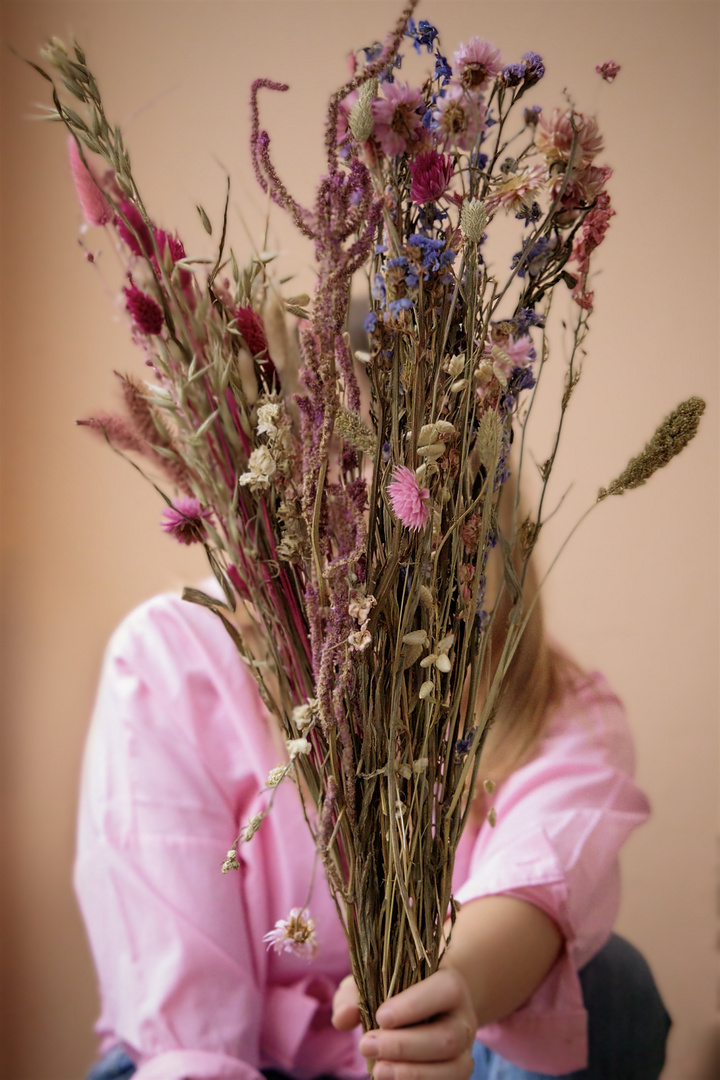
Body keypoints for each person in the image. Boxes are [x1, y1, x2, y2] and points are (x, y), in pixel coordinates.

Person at [77, 547, 671, 1080]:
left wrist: (454, 987)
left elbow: (537, 881)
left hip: (446, 1058)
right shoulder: (177, 652)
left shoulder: (549, 705)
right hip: (223, 1058)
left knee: (611, 987)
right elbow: (188, 1036)